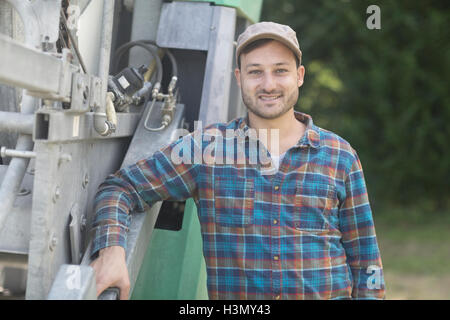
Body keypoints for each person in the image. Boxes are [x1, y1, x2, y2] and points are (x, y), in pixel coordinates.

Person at [90, 21, 385, 300]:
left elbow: (367, 262)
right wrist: (111, 251)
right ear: (239, 77)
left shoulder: (339, 155)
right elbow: (121, 188)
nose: (268, 84)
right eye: (255, 72)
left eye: (280, 70)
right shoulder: (206, 150)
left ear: (300, 76)